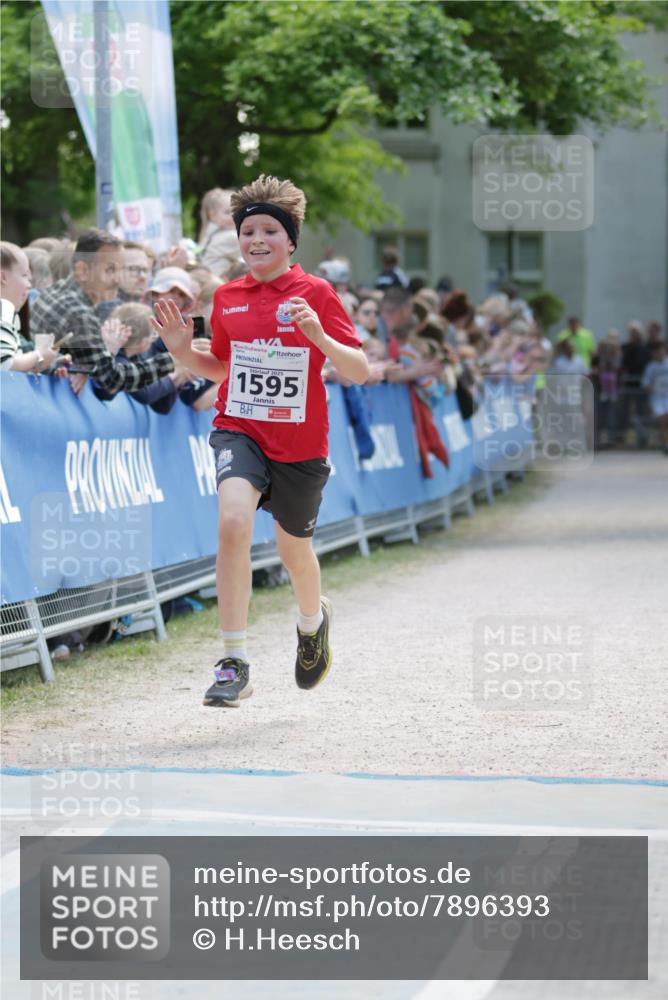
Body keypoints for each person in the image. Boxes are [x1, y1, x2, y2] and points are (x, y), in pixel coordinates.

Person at [151, 173, 369, 707]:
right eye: (248, 231)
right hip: (239, 429)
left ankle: (312, 623)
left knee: (294, 551)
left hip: (300, 444)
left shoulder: (316, 294)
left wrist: (319, 337)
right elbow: (221, 367)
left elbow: (359, 370)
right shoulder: (227, 296)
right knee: (232, 522)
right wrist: (181, 351)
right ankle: (233, 662)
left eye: (269, 230)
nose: (257, 240)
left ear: (290, 240)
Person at [30, 228, 174, 397]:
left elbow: (92, 366)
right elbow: (112, 379)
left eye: (120, 270)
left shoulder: (61, 291)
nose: (118, 279)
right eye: (110, 270)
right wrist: (173, 360)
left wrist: (83, 368)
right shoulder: (78, 311)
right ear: (83, 270)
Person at [1, 241, 64, 373]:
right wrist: (39, 356)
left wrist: (41, 366)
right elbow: (4, 365)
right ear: (2, 277)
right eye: (24, 276)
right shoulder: (4, 308)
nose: (29, 285)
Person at [198, 187, 242, 276]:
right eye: (227, 212)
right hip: (217, 281)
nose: (233, 216)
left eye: (236, 211)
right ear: (213, 215)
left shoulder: (210, 235)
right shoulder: (230, 237)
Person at [641, 341, 668, 454]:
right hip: (657, 399)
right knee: (663, 420)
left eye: (662, 350)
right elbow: (645, 383)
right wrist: (651, 387)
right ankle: (665, 444)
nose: (661, 353)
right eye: (658, 351)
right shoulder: (651, 367)